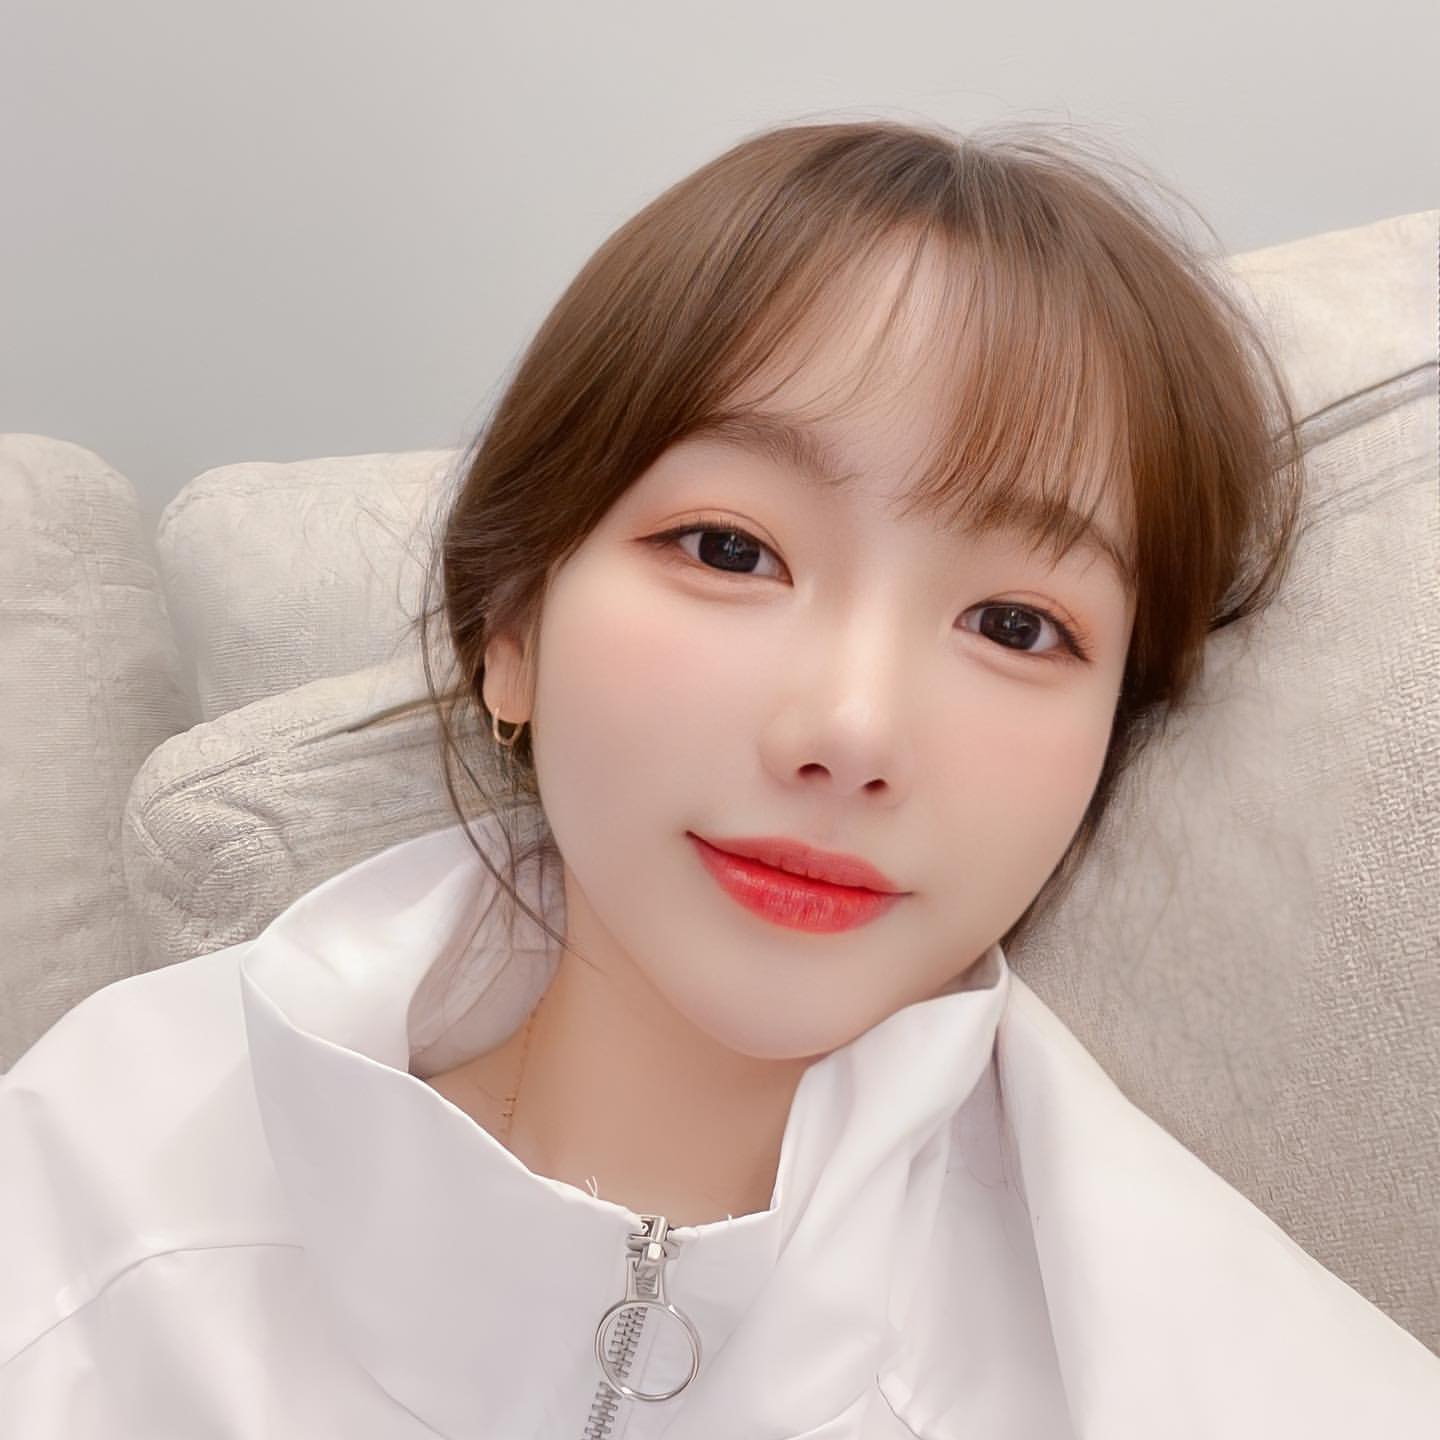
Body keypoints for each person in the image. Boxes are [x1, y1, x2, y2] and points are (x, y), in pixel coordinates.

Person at [3, 116, 1438, 1438]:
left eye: (1015, 626)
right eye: (732, 551)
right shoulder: (97, 1188)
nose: (853, 731)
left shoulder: (1244, 1384)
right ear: (512, 632)